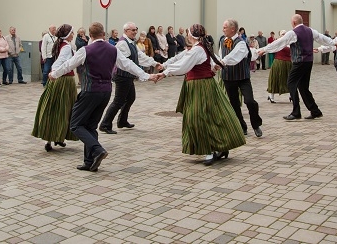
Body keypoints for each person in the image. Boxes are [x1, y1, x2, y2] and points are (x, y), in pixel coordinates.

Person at [48, 22, 159, 172]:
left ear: (90, 35)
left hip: (90, 90)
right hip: (106, 91)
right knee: (91, 126)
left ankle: (97, 149)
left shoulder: (85, 50)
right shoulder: (113, 49)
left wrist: (54, 74)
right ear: (103, 34)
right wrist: (146, 75)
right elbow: (128, 64)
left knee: (75, 124)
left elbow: (68, 65)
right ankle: (89, 162)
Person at [156, 23, 246, 166]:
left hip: (201, 86)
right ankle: (219, 148)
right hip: (200, 85)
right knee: (206, 117)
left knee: (199, 118)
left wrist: (165, 73)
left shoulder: (198, 49)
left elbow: (183, 66)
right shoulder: (199, 47)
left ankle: (210, 150)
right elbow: (183, 58)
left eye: (188, 33)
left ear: (191, 35)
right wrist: (165, 66)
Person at [257, 14, 334, 120]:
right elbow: (322, 38)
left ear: (294, 22)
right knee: (303, 86)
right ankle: (315, 111)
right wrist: (333, 43)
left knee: (291, 83)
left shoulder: (293, 33)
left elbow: (279, 43)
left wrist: (264, 50)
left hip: (299, 61)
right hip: (308, 61)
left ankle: (296, 112)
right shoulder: (310, 30)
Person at [99, 22, 162, 134]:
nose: (135, 32)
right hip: (122, 76)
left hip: (128, 76)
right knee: (118, 101)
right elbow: (126, 63)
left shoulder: (131, 42)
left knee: (130, 98)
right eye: (133, 30)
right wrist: (146, 75)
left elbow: (139, 56)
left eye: (136, 29)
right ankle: (105, 124)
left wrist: (154, 63)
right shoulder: (122, 43)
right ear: (126, 31)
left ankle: (122, 121)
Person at [32, 24, 79, 152]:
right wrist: (54, 73)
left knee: (55, 107)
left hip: (59, 79)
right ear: (67, 35)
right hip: (64, 80)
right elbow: (60, 62)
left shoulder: (61, 44)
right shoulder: (66, 47)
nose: (73, 35)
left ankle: (56, 137)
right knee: (63, 109)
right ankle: (55, 136)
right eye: (72, 33)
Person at [218, 19, 263, 137]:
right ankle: (241, 126)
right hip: (228, 76)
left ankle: (256, 124)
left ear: (232, 29)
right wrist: (216, 64)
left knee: (250, 101)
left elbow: (234, 57)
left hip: (242, 77)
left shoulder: (241, 43)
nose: (223, 29)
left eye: (225, 27)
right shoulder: (222, 40)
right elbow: (220, 55)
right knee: (234, 103)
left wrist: (222, 62)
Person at [265, 30, 291, 104]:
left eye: (285, 34)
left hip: (288, 63)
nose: (284, 35)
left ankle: (292, 95)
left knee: (290, 79)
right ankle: (271, 96)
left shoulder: (290, 42)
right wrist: (261, 51)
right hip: (278, 62)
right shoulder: (277, 42)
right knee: (275, 78)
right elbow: (269, 48)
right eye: (282, 34)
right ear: (280, 35)